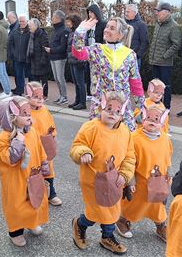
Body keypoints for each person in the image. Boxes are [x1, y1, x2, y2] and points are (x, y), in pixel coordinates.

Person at [70, 91, 136, 255]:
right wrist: (83, 152)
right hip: (92, 181)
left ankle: (107, 237)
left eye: (117, 111)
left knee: (112, 212)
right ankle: (80, 224)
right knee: (96, 212)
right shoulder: (90, 127)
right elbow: (77, 146)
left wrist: (125, 174)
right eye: (109, 109)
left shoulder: (125, 132)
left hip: (114, 181)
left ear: (122, 114)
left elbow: (130, 156)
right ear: (101, 108)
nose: (112, 114)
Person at [0, 96, 50, 247]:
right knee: (17, 205)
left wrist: (44, 165)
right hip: (15, 180)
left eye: (28, 112)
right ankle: (15, 231)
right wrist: (18, 142)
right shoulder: (3, 138)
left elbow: (40, 149)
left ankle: (31, 222)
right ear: (11, 117)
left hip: (33, 174)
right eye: (24, 113)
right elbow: (9, 159)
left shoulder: (32, 132)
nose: (29, 116)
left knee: (34, 200)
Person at [71, 17, 144, 132]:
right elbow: (78, 52)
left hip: (122, 108)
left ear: (120, 35)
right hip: (100, 107)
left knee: (127, 141)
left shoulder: (130, 55)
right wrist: (80, 31)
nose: (106, 30)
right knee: (98, 142)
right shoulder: (97, 50)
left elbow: (135, 82)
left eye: (112, 28)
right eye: (107, 27)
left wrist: (141, 107)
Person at [117, 104, 172, 242]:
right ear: (143, 118)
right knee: (134, 204)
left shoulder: (165, 139)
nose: (152, 121)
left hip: (158, 181)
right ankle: (122, 220)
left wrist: (168, 174)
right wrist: (130, 181)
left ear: (162, 121)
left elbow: (167, 158)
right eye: (148, 118)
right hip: (139, 181)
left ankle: (161, 224)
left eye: (156, 119)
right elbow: (128, 160)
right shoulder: (135, 138)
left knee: (158, 206)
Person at [25, 82, 62, 206]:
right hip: (33, 147)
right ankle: (33, 193)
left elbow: (50, 123)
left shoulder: (45, 110)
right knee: (34, 171)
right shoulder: (26, 112)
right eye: (36, 97)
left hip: (46, 145)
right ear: (28, 96)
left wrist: (53, 135)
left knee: (49, 170)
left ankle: (52, 193)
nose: (40, 100)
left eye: (41, 97)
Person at [149, 2, 182, 110]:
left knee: (165, 86)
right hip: (155, 61)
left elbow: (176, 44)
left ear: (166, 12)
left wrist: (165, 55)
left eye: (159, 11)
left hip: (165, 63)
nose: (157, 13)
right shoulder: (158, 23)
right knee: (155, 85)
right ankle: (156, 106)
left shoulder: (174, 26)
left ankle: (166, 107)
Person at [47, 10, 70, 105]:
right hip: (53, 57)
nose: (51, 18)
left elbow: (63, 47)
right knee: (56, 78)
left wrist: (51, 50)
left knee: (60, 78)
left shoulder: (64, 30)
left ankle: (64, 97)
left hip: (60, 58)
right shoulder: (55, 29)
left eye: (53, 17)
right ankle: (61, 95)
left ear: (58, 19)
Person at [66, 14, 87, 110]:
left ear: (74, 22)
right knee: (76, 82)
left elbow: (81, 47)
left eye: (69, 21)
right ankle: (77, 100)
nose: (67, 23)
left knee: (80, 83)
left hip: (78, 61)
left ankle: (82, 102)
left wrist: (79, 59)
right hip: (72, 60)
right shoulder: (71, 32)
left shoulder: (79, 32)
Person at [28, 18, 51, 100]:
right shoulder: (32, 35)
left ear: (35, 26)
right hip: (34, 60)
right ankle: (37, 95)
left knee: (44, 79)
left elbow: (45, 49)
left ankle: (45, 95)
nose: (29, 27)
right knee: (35, 80)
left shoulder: (42, 35)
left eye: (30, 26)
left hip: (41, 61)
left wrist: (43, 61)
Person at [8, 14, 31, 96]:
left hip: (27, 58)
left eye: (23, 21)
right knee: (18, 75)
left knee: (30, 76)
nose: (21, 23)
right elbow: (10, 43)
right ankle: (20, 90)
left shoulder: (30, 31)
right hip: (17, 58)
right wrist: (13, 53)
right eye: (20, 21)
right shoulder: (15, 32)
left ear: (27, 22)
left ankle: (30, 92)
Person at [125, 3, 149, 68]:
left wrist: (137, 55)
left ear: (134, 13)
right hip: (123, 56)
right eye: (125, 11)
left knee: (134, 77)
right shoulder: (124, 24)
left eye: (128, 12)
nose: (126, 13)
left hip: (134, 58)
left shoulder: (141, 25)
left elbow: (144, 42)